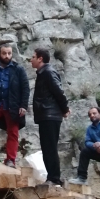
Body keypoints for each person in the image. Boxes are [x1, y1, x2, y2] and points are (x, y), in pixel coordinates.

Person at [31, 48, 70, 186]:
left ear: (40, 58)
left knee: (50, 147)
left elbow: (59, 91)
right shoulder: (43, 73)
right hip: (46, 115)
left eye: (33, 56)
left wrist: (65, 108)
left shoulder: (48, 72)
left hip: (50, 115)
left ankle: (54, 179)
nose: (31, 59)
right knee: (47, 147)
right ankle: (52, 177)